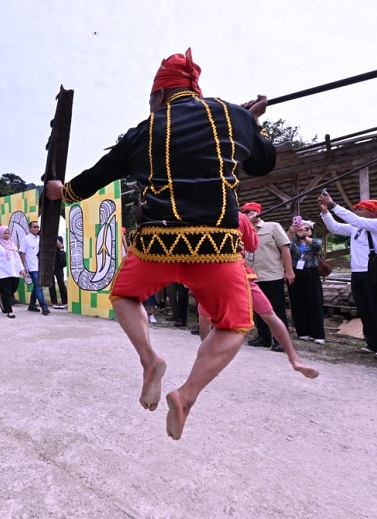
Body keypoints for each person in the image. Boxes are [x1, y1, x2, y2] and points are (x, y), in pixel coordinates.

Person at [45, 48, 276, 440]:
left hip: (158, 244)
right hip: (215, 245)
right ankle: (186, 395)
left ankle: (150, 359)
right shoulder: (232, 115)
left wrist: (61, 191)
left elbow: (95, 177)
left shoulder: (143, 131)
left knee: (124, 296)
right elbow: (263, 162)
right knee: (236, 324)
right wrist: (253, 123)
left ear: (160, 95)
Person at [199, 213, 319, 379]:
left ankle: (208, 359)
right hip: (236, 273)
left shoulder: (200, 215)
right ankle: (294, 359)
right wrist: (244, 226)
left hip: (209, 273)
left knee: (204, 318)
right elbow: (252, 245)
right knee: (269, 315)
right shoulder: (239, 218)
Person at [318, 193, 377, 359]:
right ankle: (372, 343)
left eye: (361, 209)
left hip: (373, 272)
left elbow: (355, 220)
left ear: (373, 212)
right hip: (358, 273)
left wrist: (332, 204)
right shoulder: (356, 227)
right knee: (364, 309)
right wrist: (325, 213)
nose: (358, 211)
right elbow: (335, 228)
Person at [242, 202, 295, 352]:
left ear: (258, 212)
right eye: (244, 212)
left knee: (276, 308)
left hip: (271, 274)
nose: (246, 214)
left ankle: (279, 341)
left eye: (249, 212)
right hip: (252, 275)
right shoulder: (243, 230)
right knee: (258, 308)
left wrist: (289, 270)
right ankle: (263, 337)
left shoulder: (272, 227)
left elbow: (285, 249)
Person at [287, 220, 326, 344]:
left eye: (306, 229)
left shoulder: (314, 241)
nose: (303, 230)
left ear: (311, 231)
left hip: (311, 272)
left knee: (314, 301)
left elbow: (317, 246)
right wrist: (290, 231)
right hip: (296, 273)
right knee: (298, 301)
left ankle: (318, 333)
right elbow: (283, 245)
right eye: (301, 229)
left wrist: (305, 235)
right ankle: (303, 331)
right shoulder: (294, 243)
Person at [0, 225, 26, 318]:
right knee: (6, 292)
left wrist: (22, 269)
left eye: (8, 233)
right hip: (1, 272)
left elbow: (17, 258)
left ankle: (3, 303)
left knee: (13, 288)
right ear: (0, 233)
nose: (7, 235)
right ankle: (9, 311)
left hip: (14, 271)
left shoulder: (12, 243)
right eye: (5, 233)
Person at [19, 220, 50, 315]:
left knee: (37, 286)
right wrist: (24, 266)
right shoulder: (26, 239)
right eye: (35, 227)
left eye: (38, 227)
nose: (37, 228)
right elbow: (22, 253)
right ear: (30, 228)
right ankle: (44, 307)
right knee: (38, 286)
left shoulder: (40, 238)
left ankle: (32, 305)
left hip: (40, 266)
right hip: (32, 267)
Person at [49, 236, 68, 310]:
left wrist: (54, 238)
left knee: (61, 283)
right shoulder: (44, 238)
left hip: (58, 264)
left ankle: (65, 301)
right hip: (49, 263)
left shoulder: (59, 238)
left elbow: (61, 247)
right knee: (51, 284)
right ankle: (54, 302)